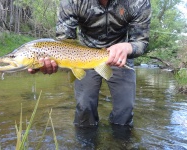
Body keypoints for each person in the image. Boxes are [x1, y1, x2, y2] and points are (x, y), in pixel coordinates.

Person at [28, 0, 151, 128]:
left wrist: (127, 48)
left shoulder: (138, 2)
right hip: (83, 56)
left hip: (121, 54)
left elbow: (141, 42)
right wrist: (47, 61)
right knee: (84, 109)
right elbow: (64, 41)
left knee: (125, 110)